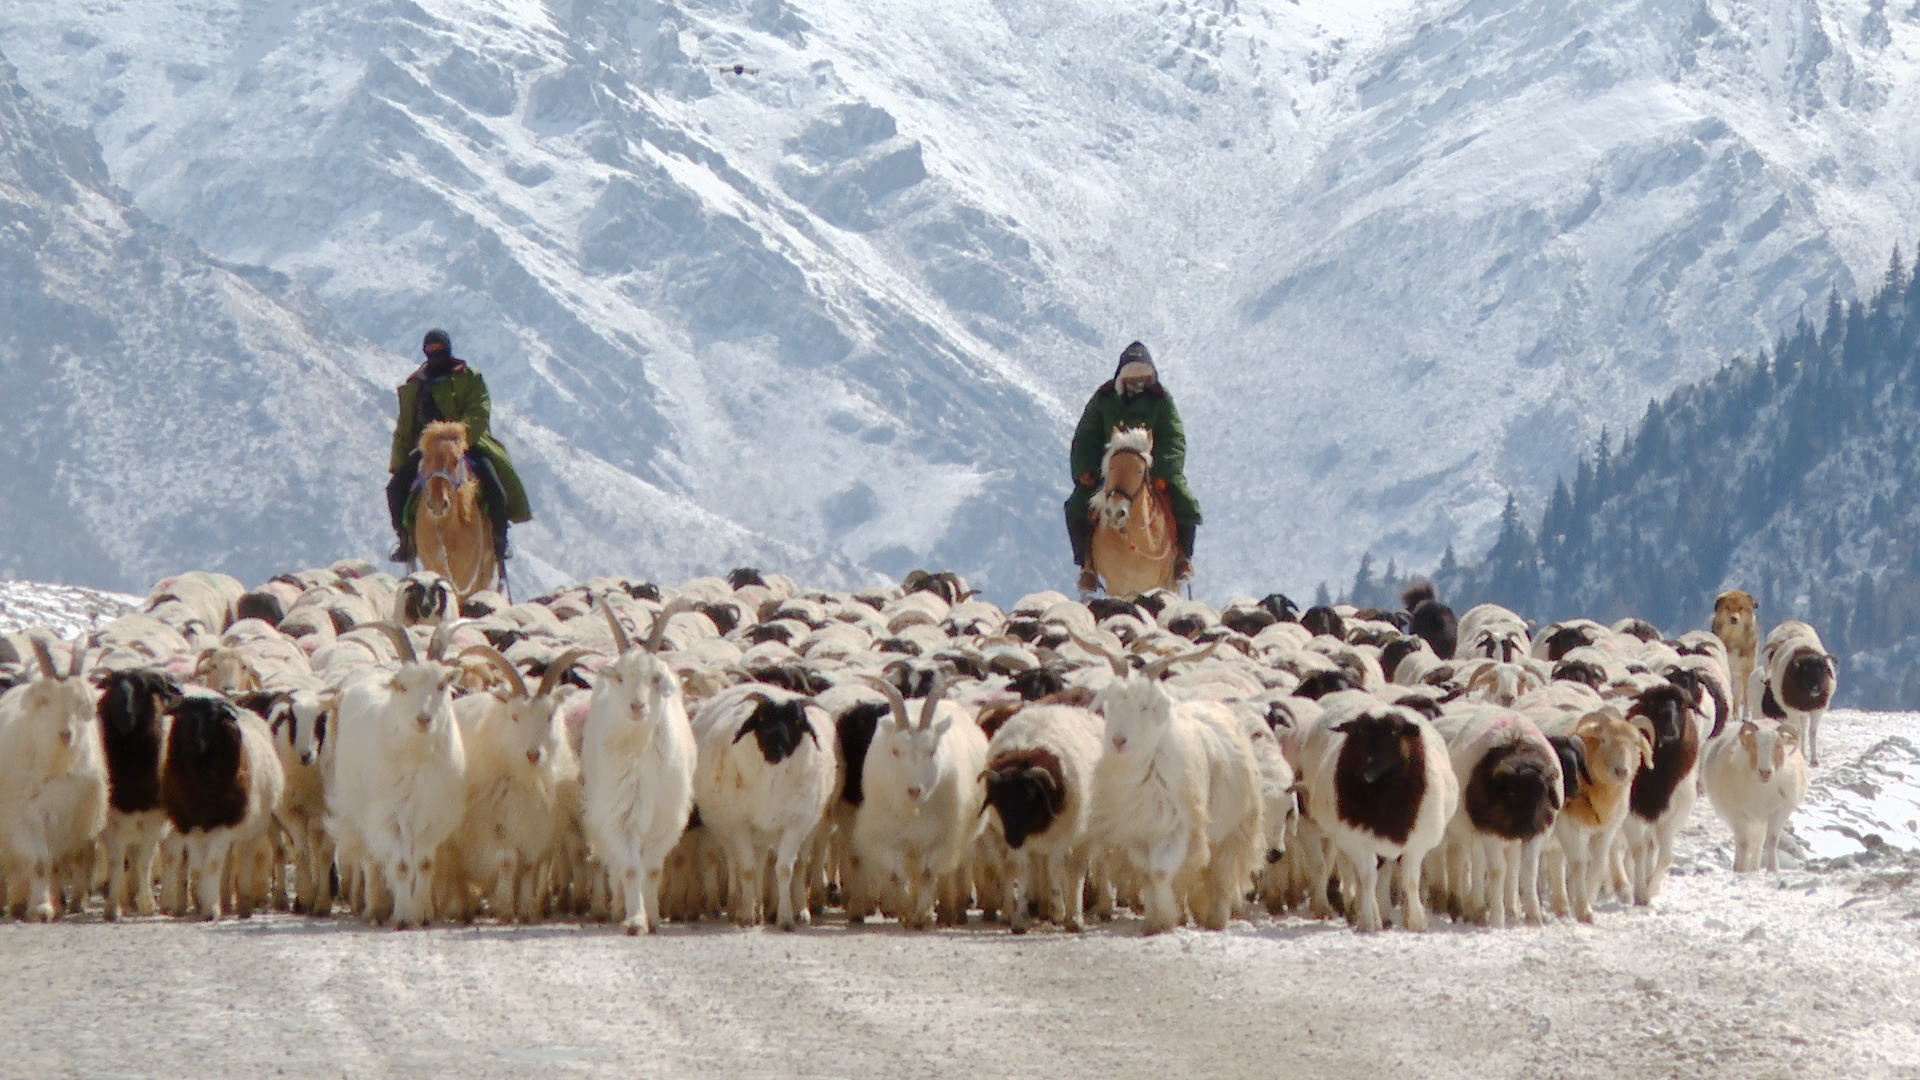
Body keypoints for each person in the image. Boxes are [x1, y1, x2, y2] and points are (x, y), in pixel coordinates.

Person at [1064, 341, 1202, 594]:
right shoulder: (1104, 399)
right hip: (1111, 469)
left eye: (1143, 378)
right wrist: (1086, 470)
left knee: (1185, 500)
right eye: (1132, 378)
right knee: (1076, 505)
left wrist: (1165, 471)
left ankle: (1182, 559)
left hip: (1150, 469)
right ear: (1121, 378)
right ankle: (1088, 566)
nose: (1138, 383)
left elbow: (1173, 437)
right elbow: (1086, 436)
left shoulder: (1161, 401)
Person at [386, 329, 531, 563]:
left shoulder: (469, 378)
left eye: (438, 350)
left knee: (494, 485)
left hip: (466, 446)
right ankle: (406, 540)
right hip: (429, 451)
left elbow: (479, 411)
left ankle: (498, 537)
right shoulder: (415, 385)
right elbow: (406, 427)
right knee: (395, 489)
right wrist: (400, 461)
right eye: (430, 351)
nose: (435, 355)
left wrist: (458, 438)